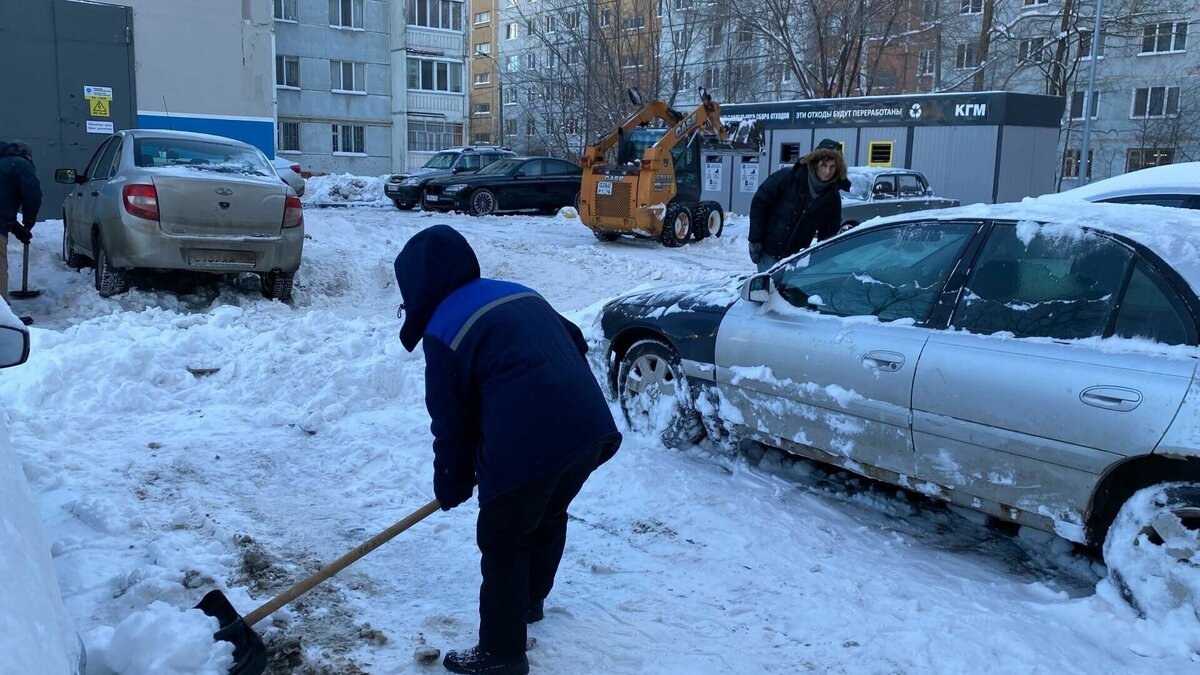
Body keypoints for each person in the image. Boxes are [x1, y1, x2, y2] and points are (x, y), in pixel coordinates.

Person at [393, 225, 622, 675]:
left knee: (503, 537)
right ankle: (528, 603)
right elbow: (574, 340)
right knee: (548, 514)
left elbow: (451, 422)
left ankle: (501, 654)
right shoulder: (517, 292)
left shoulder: (443, 330)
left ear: (418, 287)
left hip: (530, 442)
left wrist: (452, 479)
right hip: (590, 428)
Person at [748, 138, 849, 273]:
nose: (827, 172)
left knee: (783, 293)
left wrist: (823, 260)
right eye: (823, 166)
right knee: (767, 290)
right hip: (769, 251)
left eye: (832, 167)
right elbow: (760, 203)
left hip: (795, 257)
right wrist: (755, 239)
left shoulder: (832, 197)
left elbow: (828, 233)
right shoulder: (789, 178)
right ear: (815, 163)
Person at [0, 141, 40, 303]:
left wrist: (18, 230)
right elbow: (32, 196)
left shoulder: (4, 165)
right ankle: (3, 318)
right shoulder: (21, 164)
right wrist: (29, 222)